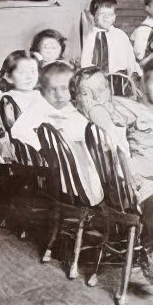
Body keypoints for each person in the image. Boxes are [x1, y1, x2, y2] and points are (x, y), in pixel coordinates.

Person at [71, 63, 153, 286]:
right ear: (76, 98)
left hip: (134, 172)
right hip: (110, 187)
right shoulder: (80, 121)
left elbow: (134, 132)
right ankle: (148, 251)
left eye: (102, 88)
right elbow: (95, 161)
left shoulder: (115, 109)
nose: (97, 96)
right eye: (87, 92)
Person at [9, 62, 103, 205]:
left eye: (64, 89)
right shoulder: (39, 107)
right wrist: (43, 149)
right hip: (63, 173)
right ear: (43, 90)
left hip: (83, 161)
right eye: (53, 89)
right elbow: (17, 131)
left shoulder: (72, 107)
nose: (59, 95)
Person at [80, 0, 138, 75]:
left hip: (119, 80)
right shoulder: (89, 36)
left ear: (115, 17)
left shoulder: (121, 35)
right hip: (95, 80)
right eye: (102, 14)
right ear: (94, 16)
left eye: (110, 14)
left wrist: (133, 75)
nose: (106, 18)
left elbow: (130, 60)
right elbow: (84, 62)